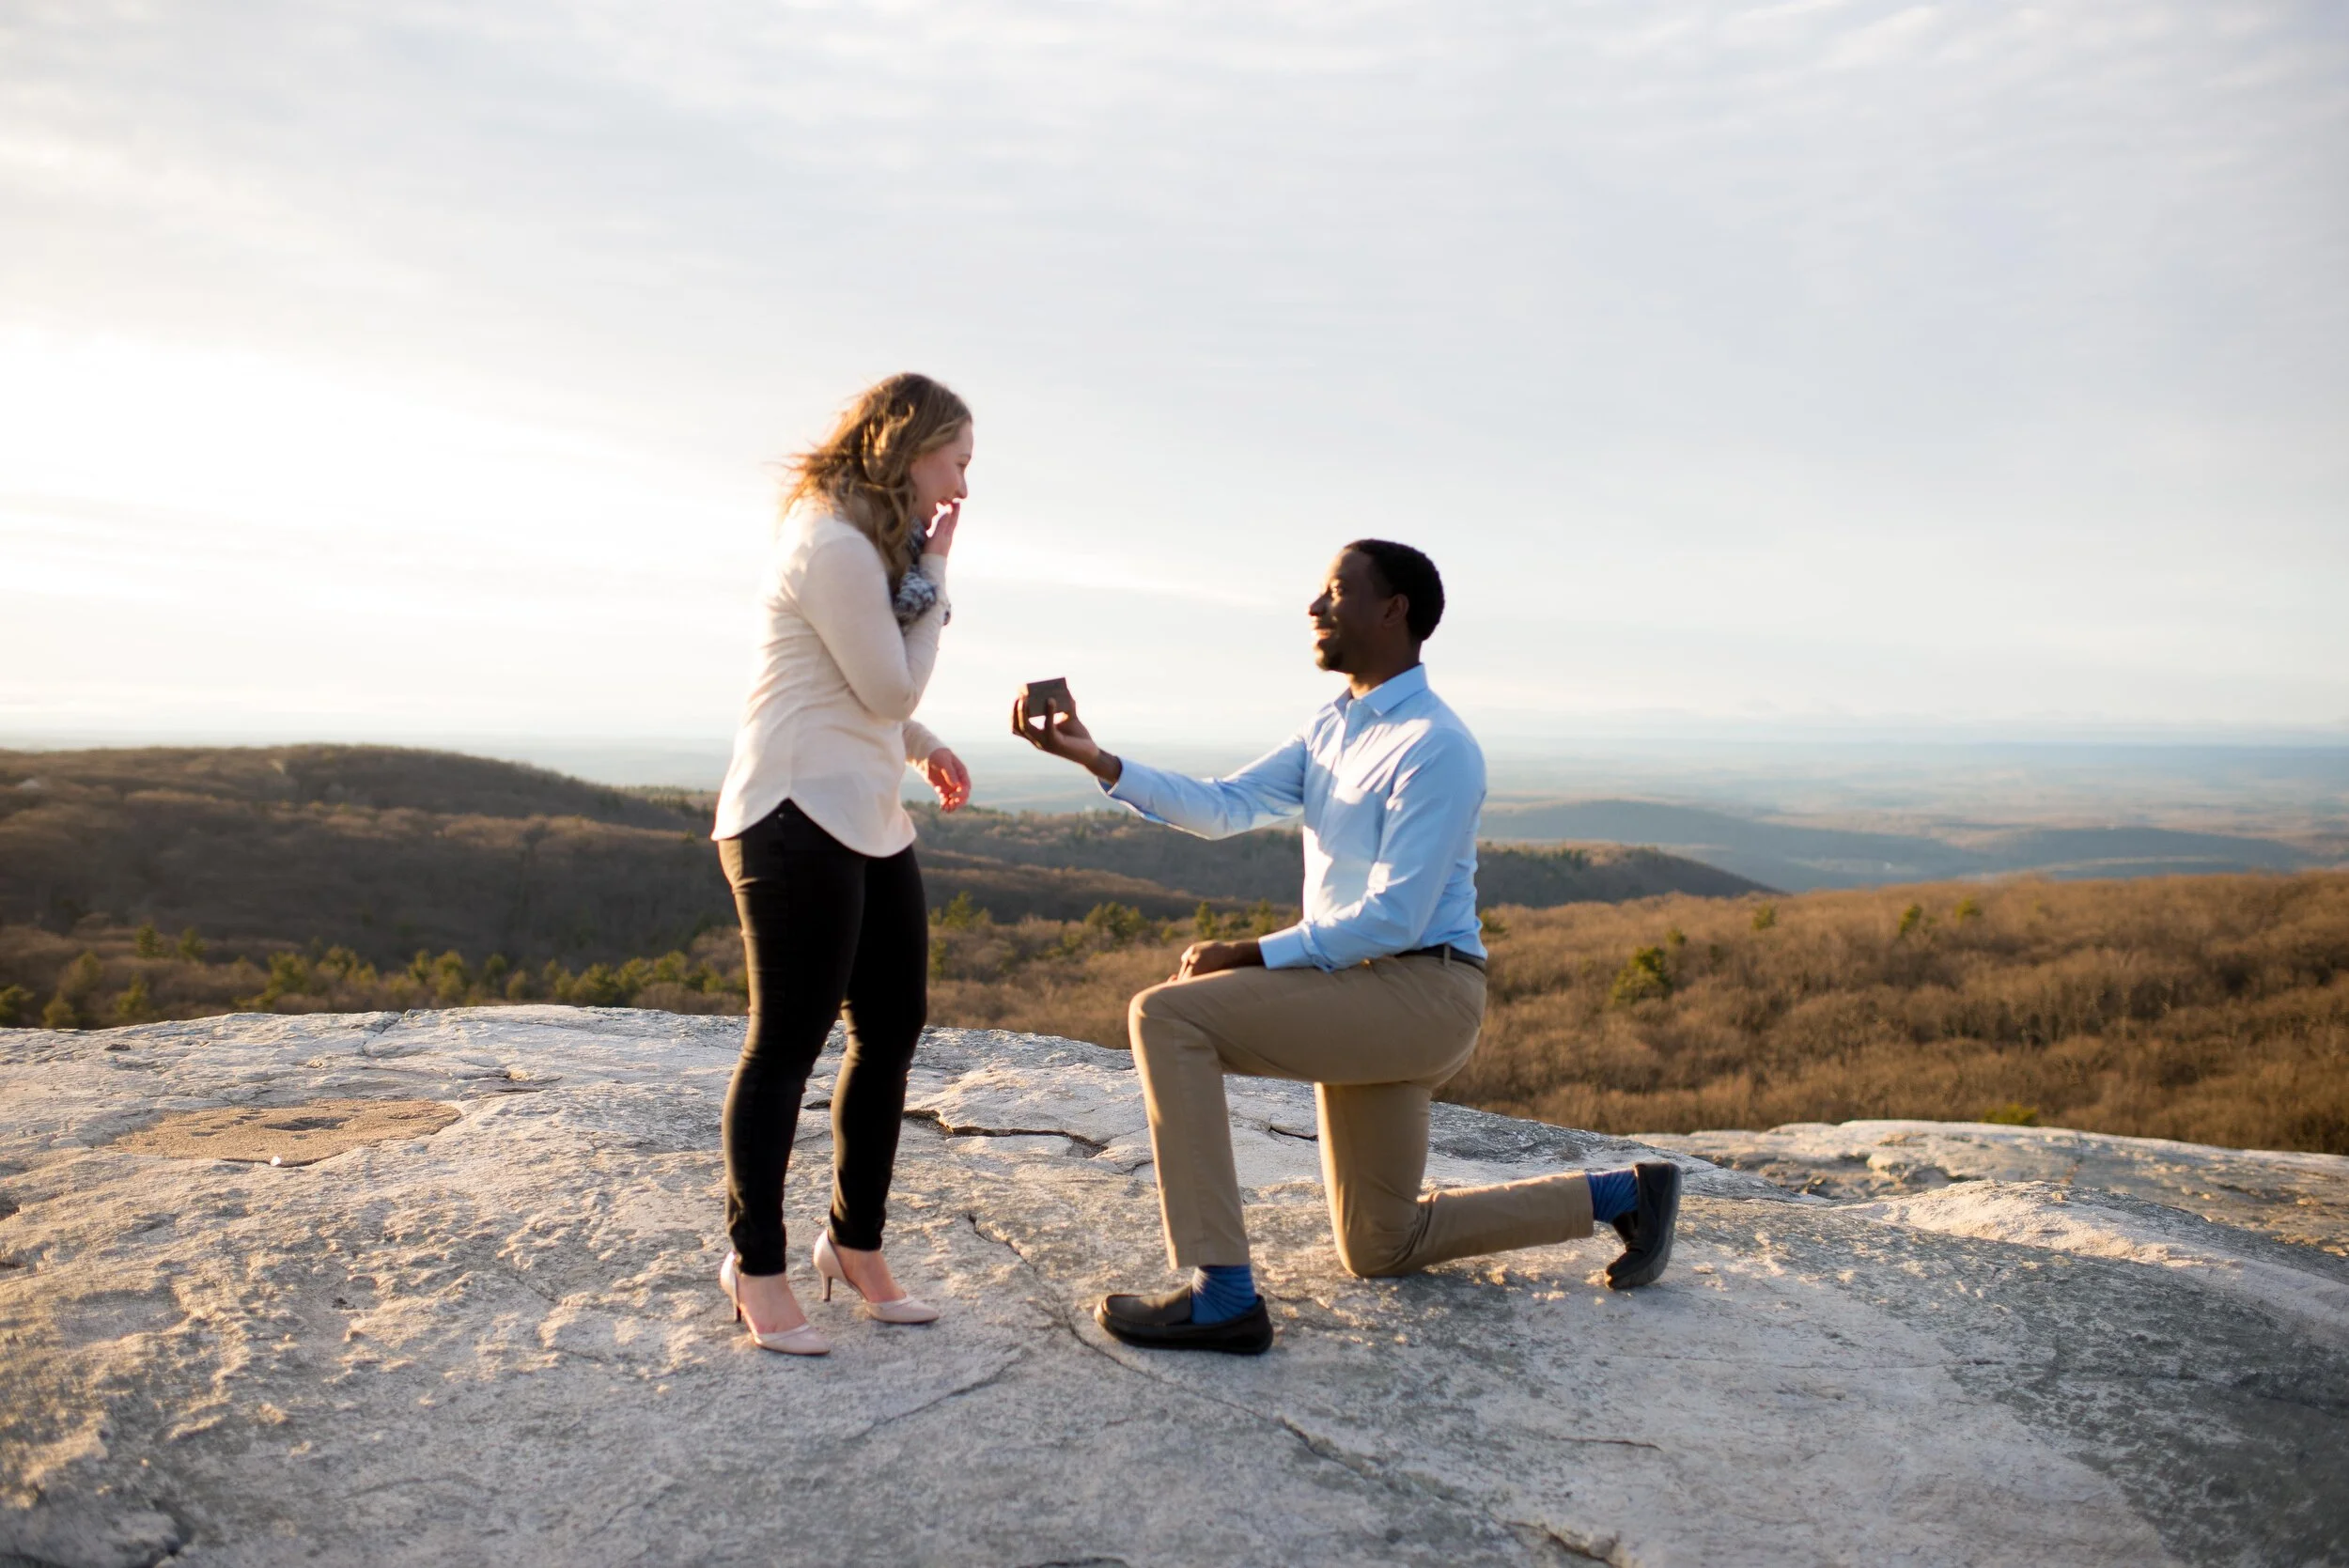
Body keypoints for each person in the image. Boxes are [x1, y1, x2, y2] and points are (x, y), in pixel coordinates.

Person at [1011, 540, 1681, 1355]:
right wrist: (1097, 759)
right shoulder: (1331, 727)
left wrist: (1250, 951)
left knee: (1166, 1015)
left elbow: (1395, 917)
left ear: (1393, 610)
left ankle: (1223, 1294)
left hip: (1421, 994)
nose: (1314, 607)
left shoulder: (1437, 745)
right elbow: (1224, 806)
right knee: (1380, 1243)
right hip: (1359, 994)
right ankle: (1622, 1196)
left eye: (1335, 591)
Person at [709, 373, 975, 1355]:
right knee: (787, 1043)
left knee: (891, 1027)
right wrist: (937, 573)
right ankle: (755, 1264)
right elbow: (889, 682)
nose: (960, 485)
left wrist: (921, 745)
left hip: (865, 813)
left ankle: (853, 1243)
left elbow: (864, 691)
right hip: (792, 813)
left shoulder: (864, 545)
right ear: (909, 448)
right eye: (955, 461)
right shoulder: (829, 541)